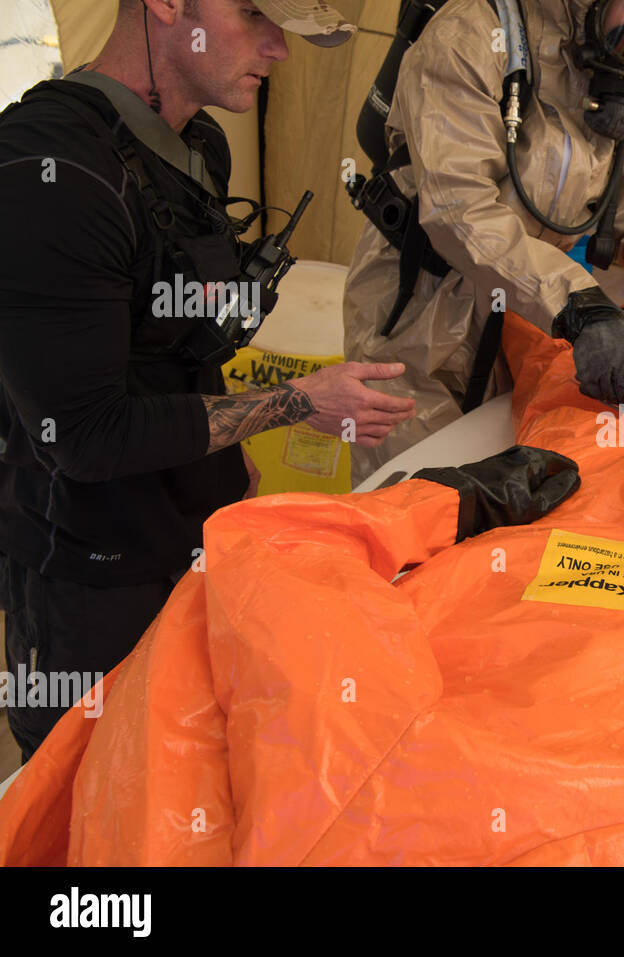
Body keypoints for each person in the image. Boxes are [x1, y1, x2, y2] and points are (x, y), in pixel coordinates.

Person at [0, 0, 416, 762]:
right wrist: (294, 402)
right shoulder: (49, 173)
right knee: (88, 804)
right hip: (93, 577)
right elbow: (85, 437)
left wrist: (226, 456)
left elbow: (181, 342)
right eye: (255, 15)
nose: (278, 49)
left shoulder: (196, 144)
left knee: (186, 779)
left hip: (194, 539)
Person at [343, 0, 624, 486]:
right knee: (413, 500)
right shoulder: (469, 36)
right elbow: (458, 210)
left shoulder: (609, 69)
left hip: (522, 312)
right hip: (416, 312)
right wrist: (582, 308)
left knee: (498, 498)